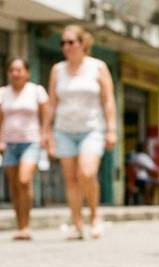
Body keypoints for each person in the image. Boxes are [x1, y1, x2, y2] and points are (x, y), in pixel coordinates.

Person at [48, 25, 116, 240]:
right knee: (71, 180)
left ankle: (95, 216)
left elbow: (108, 100)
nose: (66, 46)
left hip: (92, 129)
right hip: (64, 130)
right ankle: (77, 224)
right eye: (63, 43)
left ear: (83, 44)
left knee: (86, 174)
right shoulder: (57, 70)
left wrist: (111, 129)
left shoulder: (98, 67)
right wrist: (46, 132)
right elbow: (52, 103)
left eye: (70, 42)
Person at [0, 58, 51, 240]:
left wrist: (45, 135)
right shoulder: (3, 93)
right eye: (12, 70)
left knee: (24, 181)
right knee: (14, 187)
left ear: (27, 73)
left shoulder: (36, 91)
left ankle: (27, 224)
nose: (15, 73)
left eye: (19, 70)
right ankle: (20, 225)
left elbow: (46, 114)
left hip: (31, 142)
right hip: (9, 143)